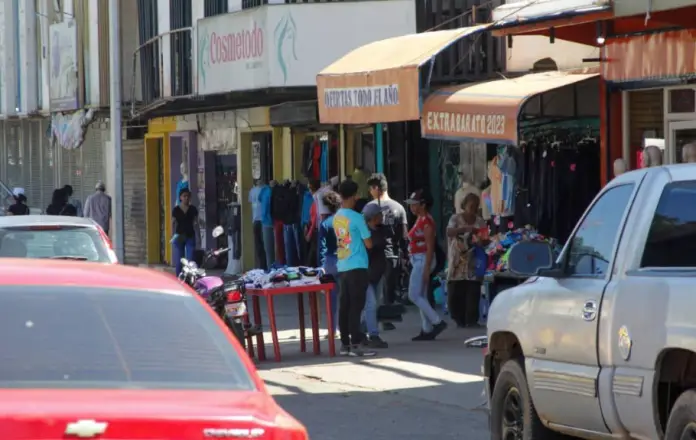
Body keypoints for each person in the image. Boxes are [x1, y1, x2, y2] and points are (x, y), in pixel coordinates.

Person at [334, 180, 375, 357]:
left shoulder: (337, 217)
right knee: (356, 306)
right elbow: (369, 243)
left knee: (344, 305)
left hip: (342, 265)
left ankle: (345, 344)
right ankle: (357, 343)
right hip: (357, 265)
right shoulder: (357, 217)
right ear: (353, 196)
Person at [364, 173, 408, 330]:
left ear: (376, 188)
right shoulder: (399, 208)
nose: (370, 192)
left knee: (373, 292)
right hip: (392, 255)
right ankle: (386, 319)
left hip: (374, 256)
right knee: (387, 291)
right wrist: (405, 256)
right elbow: (404, 236)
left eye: (371, 188)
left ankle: (370, 321)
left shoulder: (369, 209)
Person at [405, 189, 448, 341]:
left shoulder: (427, 222)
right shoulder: (420, 219)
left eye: (414, 204)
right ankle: (426, 329)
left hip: (423, 260)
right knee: (421, 295)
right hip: (418, 259)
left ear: (423, 205)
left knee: (413, 295)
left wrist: (426, 269)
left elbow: (430, 247)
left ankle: (437, 321)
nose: (412, 207)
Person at [446, 193, 488, 327]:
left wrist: (480, 239)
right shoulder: (455, 218)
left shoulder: (480, 221)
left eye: (476, 207)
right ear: (464, 206)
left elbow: (486, 238)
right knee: (456, 289)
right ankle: (458, 318)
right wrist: (464, 229)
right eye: (471, 206)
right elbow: (449, 232)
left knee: (473, 289)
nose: (473, 209)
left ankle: (471, 319)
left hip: (473, 260)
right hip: (458, 259)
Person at [362, 203, 389, 348]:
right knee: (371, 304)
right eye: (379, 214)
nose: (382, 216)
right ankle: (373, 335)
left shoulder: (380, 230)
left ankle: (360, 330)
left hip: (377, 274)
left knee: (374, 304)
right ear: (373, 218)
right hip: (366, 275)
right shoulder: (365, 234)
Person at [319, 190, 341, 336]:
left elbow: (322, 248)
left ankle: (333, 329)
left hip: (330, 262)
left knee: (331, 298)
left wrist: (321, 268)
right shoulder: (345, 221)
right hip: (345, 259)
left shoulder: (325, 224)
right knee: (346, 296)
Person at [172, 188, 199, 276]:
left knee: (191, 259)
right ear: (180, 197)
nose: (186, 198)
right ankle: (179, 277)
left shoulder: (193, 209)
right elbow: (173, 223)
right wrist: (173, 236)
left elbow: (196, 223)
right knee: (180, 259)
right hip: (179, 236)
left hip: (190, 235)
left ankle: (190, 277)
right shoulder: (176, 210)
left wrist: (198, 236)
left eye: (188, 196)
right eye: (184, 196)